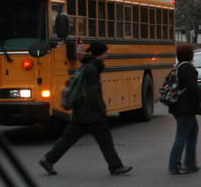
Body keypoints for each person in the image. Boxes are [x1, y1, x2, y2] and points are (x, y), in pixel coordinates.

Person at [38, 41, 132, 177]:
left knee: (68, 139)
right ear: (99, 54)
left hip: (80, 110)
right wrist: (101, 109)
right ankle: (116, 166)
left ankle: (48, 160)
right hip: (91, 113)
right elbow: (92, 93)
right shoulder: (92, 70)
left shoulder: (86, 66)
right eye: (105, 53)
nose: (107, 55)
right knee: (105, 140)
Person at [167, 43, 201, 174]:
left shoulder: (177, 67)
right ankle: (175, 165)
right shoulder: (187, 68)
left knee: (192, 134)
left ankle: (190, 163)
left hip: (178, 106)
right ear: (190, 54)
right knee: (182, 136)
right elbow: (194, 89)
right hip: (185, 108)